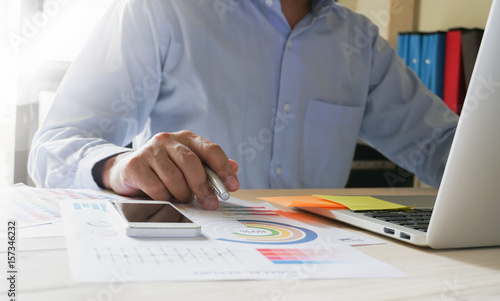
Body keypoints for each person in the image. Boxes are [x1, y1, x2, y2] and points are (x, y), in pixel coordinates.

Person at [28, 0, 459, 210]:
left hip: (319, 269)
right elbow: (56, 143)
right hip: (186, 265)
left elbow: (446, 148)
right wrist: (120, 167)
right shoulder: (162, 9)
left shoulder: (358, 41)